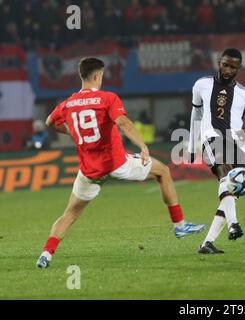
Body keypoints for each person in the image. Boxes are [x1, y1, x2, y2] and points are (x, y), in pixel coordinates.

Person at [36, 57, 206, 269]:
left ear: (82, 76)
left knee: (69, 215)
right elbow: (124, 123)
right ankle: (179, 225)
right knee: (163, 172)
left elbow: (50, 122)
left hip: (89, 171)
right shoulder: (107, 98)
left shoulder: (67, 104)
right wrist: (143, 146)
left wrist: (70, 131)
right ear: (98, 76)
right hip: (117, 164)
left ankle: (46, 254)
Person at [188, 48, 245, 254]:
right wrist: (191, 145)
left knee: (231, 192)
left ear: (239, 68)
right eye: (225, 64)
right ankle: (234, 224)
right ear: (219, 62)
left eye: (233, 66)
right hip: (211, 138)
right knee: (225, 172)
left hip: (236, 145)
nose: (227, 69)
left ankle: (207, 244)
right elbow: (196, 115)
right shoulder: (201, 85)